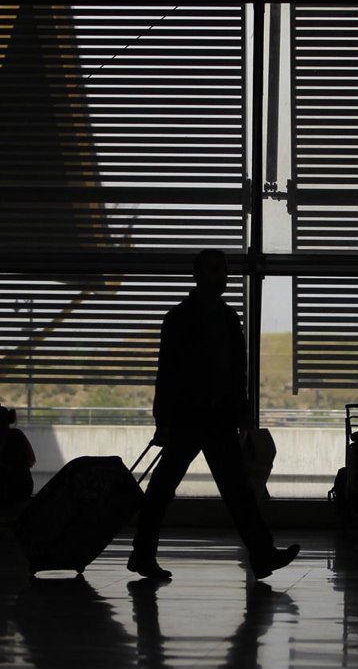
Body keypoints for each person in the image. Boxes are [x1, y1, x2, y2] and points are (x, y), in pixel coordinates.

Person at [128, 249, 299, 581]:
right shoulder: (210, 318)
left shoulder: (188, 317)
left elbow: (221, 374)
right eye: (215, 270)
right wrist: (164, 420)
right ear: (199, 274)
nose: (222, 276)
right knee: (230, 491)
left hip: (201, 418)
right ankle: (262, 555)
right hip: (197, 419)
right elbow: (179, 373)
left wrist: (240, 415)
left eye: (223, 270)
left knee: (169, 490)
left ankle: (143, 554)